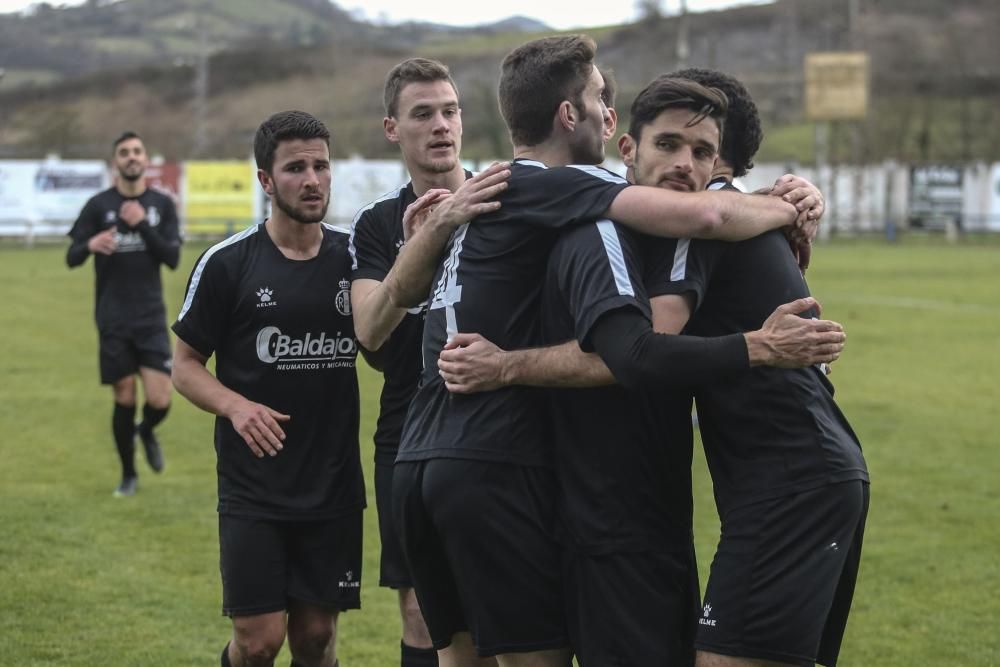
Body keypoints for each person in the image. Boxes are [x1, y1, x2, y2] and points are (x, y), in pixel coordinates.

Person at [387, 35, 833, 667]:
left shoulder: (488, 198)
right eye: (601, 99)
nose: (609, 110)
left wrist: (431, 229)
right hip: (527, 480)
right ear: (577, 118)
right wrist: (779, 215)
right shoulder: (574, 195)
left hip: (428, 458)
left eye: (702, 153)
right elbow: (655, 324)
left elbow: (386, 309)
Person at [642, 67, 869, 667]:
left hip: (792, 479)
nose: (677, 160)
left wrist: (511, 365)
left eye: (690, 142)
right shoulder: (751, 214)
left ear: (716, 149)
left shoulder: (706, 221)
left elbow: (646, 346)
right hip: (809, 470)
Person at [171, 111, 364, 667]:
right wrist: (235, 406)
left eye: (321, 166)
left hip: (332, 481)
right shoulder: (227, 263)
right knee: (258, 643)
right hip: (254, 485)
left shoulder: (354, 259)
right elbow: (183, 365)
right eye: (295, 168)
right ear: (265, 179)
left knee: (315, 638)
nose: (312, 180)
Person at [348, 57, 470, 667]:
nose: (441, 125)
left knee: (500, 605)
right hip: (407, 431)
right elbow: (369, 332)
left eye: (450, 111)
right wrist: (421, 245)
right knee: (422, 611)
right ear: (392, 129)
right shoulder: (376, 225)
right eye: (423, 114)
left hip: (495, 421)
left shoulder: (502, 198)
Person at [66, 131, 181, 497]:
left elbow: (172, 258)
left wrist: (141, 223)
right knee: (125, 396)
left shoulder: (161, 205)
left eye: (137, 151)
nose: (131, 157)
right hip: (112, 317)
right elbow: (71, 256)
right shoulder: (98, 205)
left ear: (145, 159)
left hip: (150, 317)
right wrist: (90, 244)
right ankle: (129, 475)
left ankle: (144, 430)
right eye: (124, 152)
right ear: (115, 162)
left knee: (160, 399)